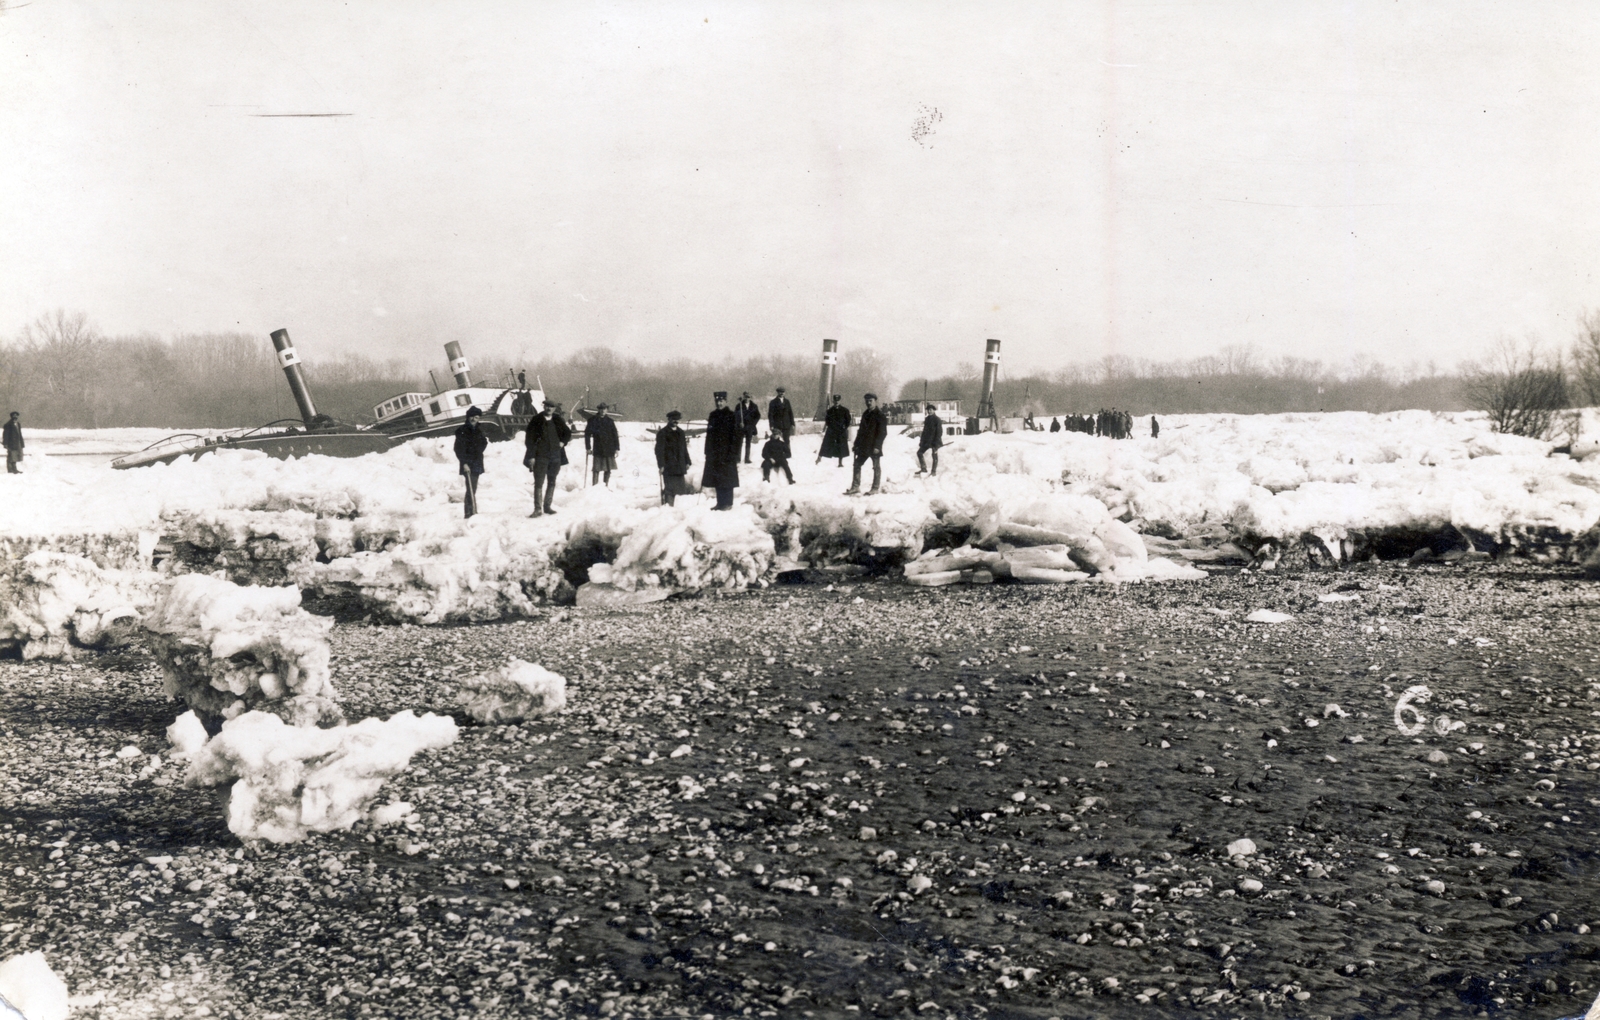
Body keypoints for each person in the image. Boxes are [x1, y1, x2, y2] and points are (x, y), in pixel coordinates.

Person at [523, 399, 571, 517]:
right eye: (547, 406)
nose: (549, 408)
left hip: (555, 456)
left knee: (552, 481)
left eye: (551, 407)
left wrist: (563, 442)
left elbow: (567, 433)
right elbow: (529, 440)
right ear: (544, 407)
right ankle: (538, 509)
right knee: (539, 483)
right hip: (541, 456)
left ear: (554, 409)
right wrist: (531, 456)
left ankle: (547, 507)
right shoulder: (536, 420)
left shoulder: (558, 419)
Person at [701, 391, 741, 510]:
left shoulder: (731, 415)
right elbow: (709, 435)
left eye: (721, 401)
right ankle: (720, 503)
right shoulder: (713, 415)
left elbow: (736, 437)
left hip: (728, 453)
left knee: (727, 479)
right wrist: (707, 451)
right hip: (715, 454)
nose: (719, 403)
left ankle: (728, 504)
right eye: (717, 401)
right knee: (718, 478)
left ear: (726, 401)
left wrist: (733, 453)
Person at [846, 392, 887, 495]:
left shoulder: (880, 415)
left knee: (876, 467)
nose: (868, 403)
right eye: (867, 401)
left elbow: (882, 433)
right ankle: (855, 487)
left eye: (871, 401)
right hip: (864, 446)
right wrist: (856, 444)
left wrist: (877, 446)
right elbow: (861, 431)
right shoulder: (865, 414)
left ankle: (875, 488)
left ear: (875, 401)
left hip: (874, 447)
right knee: (857, 464)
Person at [453, 406, 488, 518]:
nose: (474, 419)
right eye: (472, 417)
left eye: (476, 417)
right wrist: (464, 463)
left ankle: (472, 511)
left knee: (473, 488)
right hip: (467, 464)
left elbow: (484, 442)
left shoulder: (479, 430)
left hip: (477, 462)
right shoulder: (462, 431)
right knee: (471, 488)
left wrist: (478, 451)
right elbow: (458, 449)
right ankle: (469, 513)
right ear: (468, 417)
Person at [654, 411, 692, 505]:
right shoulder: (663, 433)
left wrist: (687, 461)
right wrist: (661, 465)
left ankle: (676, 510)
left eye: (677, 419)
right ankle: (668, 508)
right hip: (669, 466)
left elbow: (684, 449)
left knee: (679, 490)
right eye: (673, 419)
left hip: (679, 466)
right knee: (670, 490)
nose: (675, 421)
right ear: (669, 419)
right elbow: (659, 451)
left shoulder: (681, 432)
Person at [584, 402, 620, 487]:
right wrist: (588, 448)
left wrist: (617, 448)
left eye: (604, 409)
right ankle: (594, 487)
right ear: (598, 410)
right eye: (601, 409)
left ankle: (605, 486)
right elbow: (587, 434)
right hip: (598, 448)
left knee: (608, 469)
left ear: (607, 410)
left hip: (609, 448)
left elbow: (615, 435)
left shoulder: (610, 421)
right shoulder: (592, 420)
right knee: (596, 469)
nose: (603, 411)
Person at [817, 393, 850, 466]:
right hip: (832, 430)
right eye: (835, 401)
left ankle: (840, 462)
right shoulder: (830, 411)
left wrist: (844, 427)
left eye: (838, 401)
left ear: (840, 401)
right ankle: (819, 458)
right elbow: (827, 420)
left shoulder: (845, 410)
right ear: (833, 401)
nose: (836, 402)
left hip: (841, 431)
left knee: (841, 446)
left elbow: (848, 420)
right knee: (826, 444)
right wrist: (831, 427)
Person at [915, 403, 943, 477]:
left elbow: (939, 432)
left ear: (934, 410)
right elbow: (924, 431)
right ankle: (923, 468)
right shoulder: (927, 419)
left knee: (934, 456)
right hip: (927, 441)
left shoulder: (937, 420)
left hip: (934, 441)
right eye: (928, 410)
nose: (929, 411)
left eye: (931, 410)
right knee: (919, 453)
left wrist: (936, 443)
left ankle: (933, 472)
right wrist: (921, 441)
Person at [733, 391, 762, 464]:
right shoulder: (739, 405)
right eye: (745, 396)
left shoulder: (754, 406)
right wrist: (739, 423)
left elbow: (758, 416)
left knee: (748, 443)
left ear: (750, 397)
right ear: (743, 397)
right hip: (741, 428)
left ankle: (747, 459)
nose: (747, 398)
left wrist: (753, 424)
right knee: (739, 443)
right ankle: (738, 459)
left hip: (750, 427)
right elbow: (735, 416)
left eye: (748, 397)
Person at [767, 386, 795, 454]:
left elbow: (790, 413)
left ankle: (788, 453)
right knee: (776, 439)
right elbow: (770, 415)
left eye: (783, 392)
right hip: (777, 425)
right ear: (777, 392)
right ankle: (776, 453)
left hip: (786, 425)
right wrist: (771, 425)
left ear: (784, 393)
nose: (781, 393)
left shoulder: (787, 401)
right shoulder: (773, 402)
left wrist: (792, 423)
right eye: (780, 392)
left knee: (787, 440)